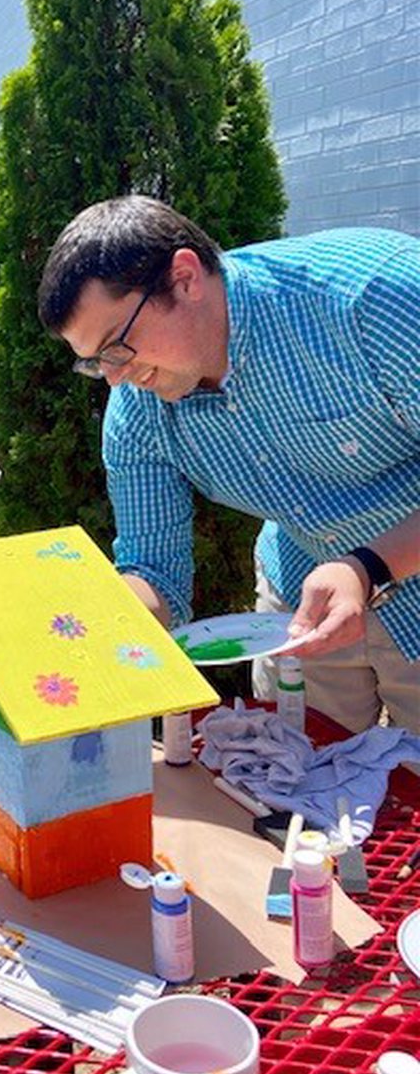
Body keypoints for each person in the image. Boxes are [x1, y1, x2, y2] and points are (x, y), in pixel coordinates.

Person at [37, 194, 419, 734]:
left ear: (186, 277)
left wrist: (370, 567)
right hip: (302, 605)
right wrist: (99, 624)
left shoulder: (375, 296)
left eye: (116, 346)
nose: (116, 378)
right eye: (95, 363)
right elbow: (153, 573)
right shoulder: (137, 414)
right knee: (299, 788)